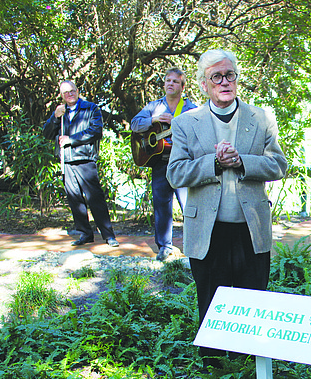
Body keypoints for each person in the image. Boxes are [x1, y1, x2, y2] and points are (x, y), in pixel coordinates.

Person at [166, 49, 287, 359]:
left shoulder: (261, 117)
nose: (224, 82)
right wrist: (215, 164)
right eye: (216, 77)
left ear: (236, 79)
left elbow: (278, 165)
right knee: (212, 309)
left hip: (251, 230)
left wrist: (243, 161)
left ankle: (247, 378)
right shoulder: (185, 123)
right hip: (208, 233)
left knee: (252, 307)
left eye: (229, 75)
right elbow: (176, 173)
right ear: (204, 85)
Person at [131, 68, 198, 261]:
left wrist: (175, 122)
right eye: (168, 81)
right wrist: (153, 119)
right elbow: (135, 124)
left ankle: (193, 245)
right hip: (160, 163)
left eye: (175, 81)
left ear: (183, 86)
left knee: (189, 206)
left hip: (183, 164)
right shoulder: (154, 106)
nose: (170, 84)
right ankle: (165, 247)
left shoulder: (191, 108)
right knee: (161, 206)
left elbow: (199, 130)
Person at [42, 80, 119, 247]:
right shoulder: (60, 112)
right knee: (74, 198)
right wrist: (55, 118)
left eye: (72, 91)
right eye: (65, 92)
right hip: (66, 160)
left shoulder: (91, 108)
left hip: (84, 158)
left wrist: (72, 140)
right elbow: (47, 133)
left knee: (95, 198)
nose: (69, 94)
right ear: (61, 96)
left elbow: (95, 131)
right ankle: (85, 233)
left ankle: (108, 235)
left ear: (77, 91)